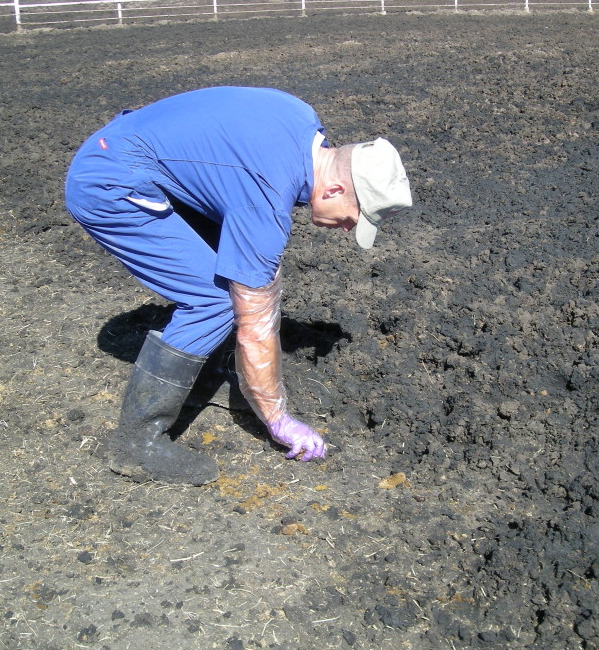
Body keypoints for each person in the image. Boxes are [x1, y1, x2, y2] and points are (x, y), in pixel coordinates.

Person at [65, 86, 412, 486]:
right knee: (214, 300)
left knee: (231, 268)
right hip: (110, 182)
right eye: (355, 217)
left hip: (134, 150)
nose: (349, 228)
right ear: (335, 189)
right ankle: (136, 444)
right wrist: (278, 418)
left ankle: (206, 374)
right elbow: (255, 325)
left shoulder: (301, 119)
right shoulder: (264, 196)